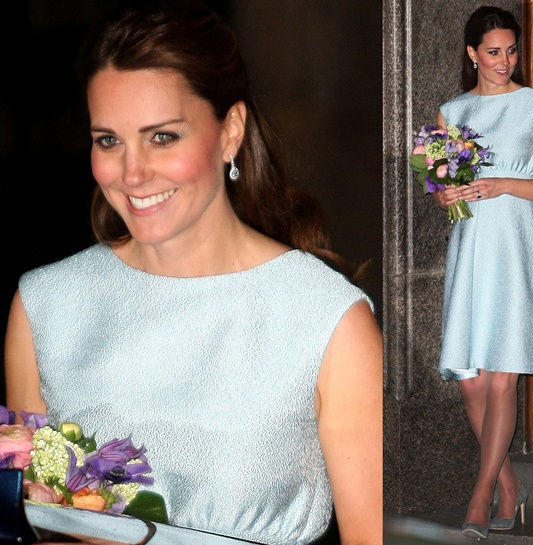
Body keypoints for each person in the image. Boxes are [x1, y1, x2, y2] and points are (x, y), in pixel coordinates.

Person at [3, 1, 383, 544]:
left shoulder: (326, 320)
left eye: (163, 137)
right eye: (108, 140)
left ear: (230, 130)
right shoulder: (46, 306)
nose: (132, 172)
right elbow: (40, 528)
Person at [431, 6, 533, 540]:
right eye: (493, 52)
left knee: (501, 377)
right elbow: (446, 193)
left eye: (511, 50)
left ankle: (480, 496)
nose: (504, 61)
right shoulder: (450, 113)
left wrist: (505, 184)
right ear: (472, 53)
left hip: (515, 245)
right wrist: (447, 194)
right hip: (471, 248)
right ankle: (511, 485)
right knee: (471, 381)